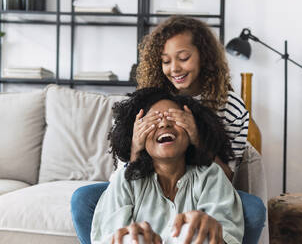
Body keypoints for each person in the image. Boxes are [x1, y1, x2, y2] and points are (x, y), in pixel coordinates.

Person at [71, 15, 266, 244]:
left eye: (183, 58)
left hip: (201, 181)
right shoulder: (150, 97)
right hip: (147, 177)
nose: (174, 68)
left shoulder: (230, 107)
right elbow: (127, 172)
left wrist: (198, 139)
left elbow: (226, 178)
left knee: (252, 209)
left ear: (204, 56)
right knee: (84, 198)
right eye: (165, 61)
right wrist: (136, 147)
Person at [91, 87, 244, 244]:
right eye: (153, 120)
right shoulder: (125, 181)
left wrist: (212, 233)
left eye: (173, 118)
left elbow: (227, 235)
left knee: (195, 230)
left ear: (191, 132)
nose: (164, 123)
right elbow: (110, 235)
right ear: (138, 136)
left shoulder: (211, 176)